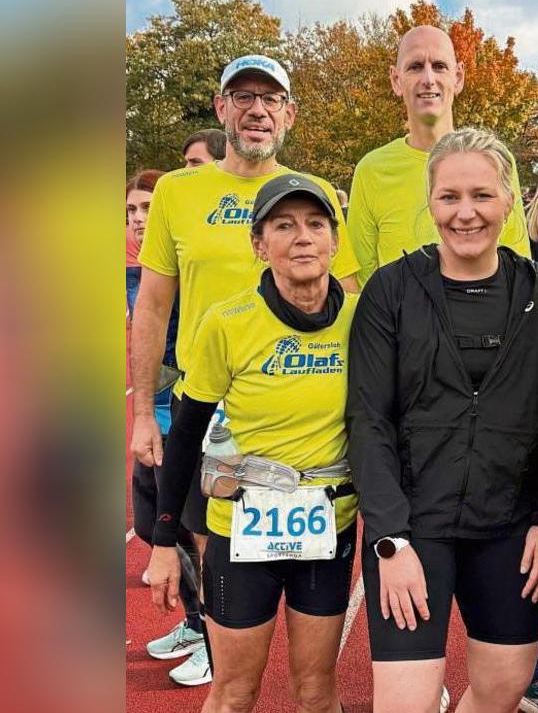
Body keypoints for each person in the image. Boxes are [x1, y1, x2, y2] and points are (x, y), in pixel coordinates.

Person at [130, 54, 360, 674]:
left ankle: (231, 647)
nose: (256, 110)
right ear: (221, 108)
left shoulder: (310, 197)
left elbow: (350, 306)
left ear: (287, 113)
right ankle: (215, 644)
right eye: (243, 97)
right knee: (212, 549)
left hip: (297, 413)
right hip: (205, 406)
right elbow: (152, 306)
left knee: (311, 666)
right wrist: (143, 415)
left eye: (270, 99)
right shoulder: (179, 191)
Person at [347, 128, 538, 713]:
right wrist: (389, 540)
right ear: (430, 203)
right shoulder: (390, 291)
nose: (465, 213)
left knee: (503, 687)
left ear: (507, 201)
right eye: (449, 197)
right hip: (415, 524)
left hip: (507, 526)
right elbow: (368, 418)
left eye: (480, 195)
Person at [347, 25, 531, 288]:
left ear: (459, 77)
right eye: (415, 66)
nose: (428, 79)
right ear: (396, 80)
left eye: (440, 66)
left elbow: (517, 263)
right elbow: (363, 281)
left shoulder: (494, 161)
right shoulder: (372, 170)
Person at [127, 170, 208, 685]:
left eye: (148, 209)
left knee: (189, 531)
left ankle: (208, 633)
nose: (138, 220)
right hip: (151, 411)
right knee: (151, 525)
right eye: (131, 211)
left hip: (182, 412)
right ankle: (194, 623)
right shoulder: (133, 275)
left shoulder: (186, 269)